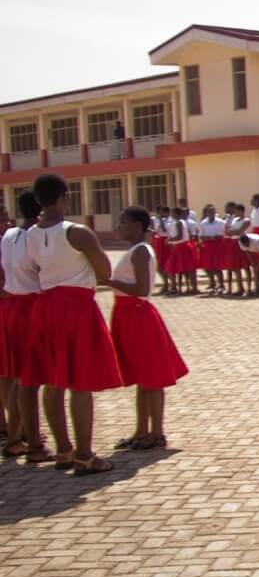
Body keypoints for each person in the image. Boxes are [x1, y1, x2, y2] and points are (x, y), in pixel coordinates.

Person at [25, 173, 124, 476]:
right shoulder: (78, 232)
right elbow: (104, 270)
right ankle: (84, 454)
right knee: (81, 382)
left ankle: (63, 450)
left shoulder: (30, 234)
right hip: (77, 307)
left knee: (53, 381)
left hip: (46, 307)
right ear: (64, 197)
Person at [106, 207, 189, 451]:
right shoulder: (135, 250)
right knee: (141, 377)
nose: (119, 227)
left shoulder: (141, 251)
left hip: (137, 314)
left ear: (137, 226)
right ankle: (141, 430)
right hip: (126, 313)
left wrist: (109, 281)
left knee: (151, 376)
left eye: (123, 222)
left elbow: (141, 289)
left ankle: (157, 432)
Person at [0, 189, 49, 463]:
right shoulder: (38, 237)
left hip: (12, 306)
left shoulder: (9, 235)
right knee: (29, 379)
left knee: (15, 374)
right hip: (32, 308)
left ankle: (15, 436)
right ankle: (31, 441)